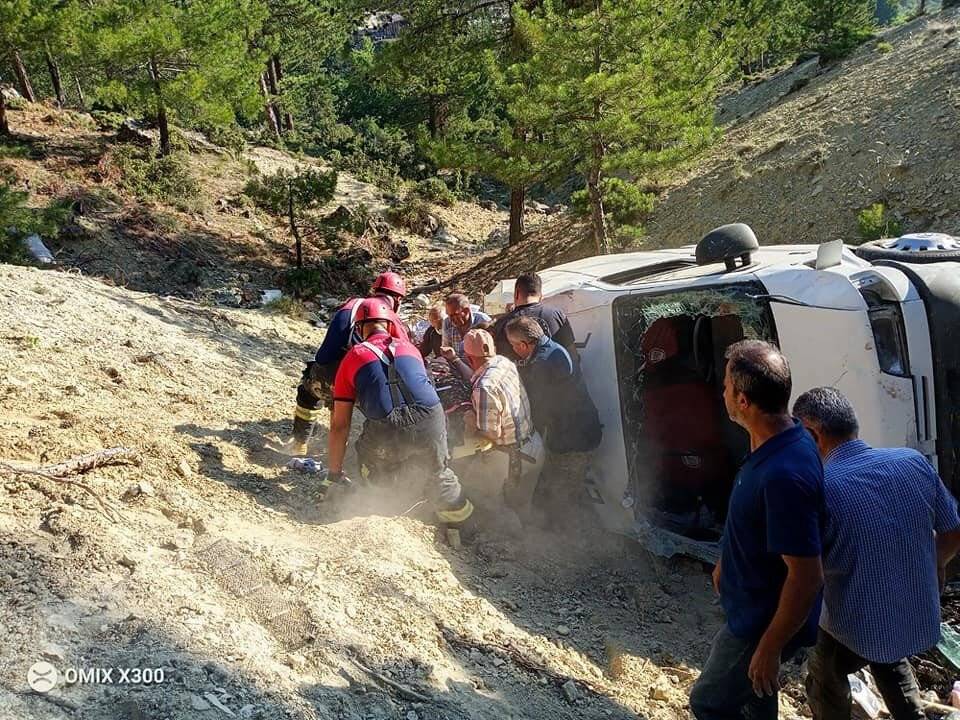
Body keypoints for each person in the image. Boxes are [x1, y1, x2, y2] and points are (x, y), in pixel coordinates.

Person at [793, 387, 960, 720]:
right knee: (889, 657)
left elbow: (805, 577)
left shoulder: (821, 488)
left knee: (824, 675)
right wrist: (936, 565)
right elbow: (954, 530)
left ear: (812, 433)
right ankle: (910, 713)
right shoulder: (913, 462)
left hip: (855, 629)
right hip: (918, 619)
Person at [689, 340, 824, 720]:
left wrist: (770, 647)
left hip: (759, 623)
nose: (723, 392)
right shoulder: (778, 438)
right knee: (753, 697)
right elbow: (753, 521)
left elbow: (806, 575)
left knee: (709, 703)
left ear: (744, 401)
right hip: (749, 605)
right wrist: (724, 563)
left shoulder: (785, 474)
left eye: (727, 386)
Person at [321, 298, 474, 531]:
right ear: (390, 324)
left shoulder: (352, 358)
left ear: (360, 329)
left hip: (387, 428)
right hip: (431, 419)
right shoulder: (411, 349)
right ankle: (459, 528)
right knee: (439, 472)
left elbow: (340, 425)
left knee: (369, 456)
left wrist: (333, 474)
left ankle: (383, 503)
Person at [289, 271, 407, 455]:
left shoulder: (351, 306)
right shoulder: (396, 321)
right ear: (398, 300)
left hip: (335, 379)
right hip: (370, 389)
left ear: (374, 291)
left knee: (308, 390)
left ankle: (299, 444)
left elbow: (324, 356)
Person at [504, 316, 601, 526]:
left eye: (513, 346)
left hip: (573, 439)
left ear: (523, 344)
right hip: (578, 431)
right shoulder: (549, 348)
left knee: (561, 495)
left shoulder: (543, 363)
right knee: (563, 488)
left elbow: (537, 411)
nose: (513, 350)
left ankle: (566, 542)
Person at [442, 329, 544, 522]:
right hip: (534, 446)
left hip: (511, 456)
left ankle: (503, 540)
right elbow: (480, 374)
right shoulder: (504, 363)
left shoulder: (484, 388)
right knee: (522, 506)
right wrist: (456, 360)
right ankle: (529, 543)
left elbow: (490, 435)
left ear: (470, 357)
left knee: (479, 496)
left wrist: (470, 421)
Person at [491, 272, 576, 361]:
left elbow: (497, 361)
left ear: (516, 294)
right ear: (541, 295)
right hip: (556, 373)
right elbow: (572, 353)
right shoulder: (557, 315)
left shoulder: (501, 323)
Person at [442, 293, 491, 361]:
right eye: (449, 315)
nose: (451, 319)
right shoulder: (447, 323)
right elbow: (446, 350)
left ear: (466, 311)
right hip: (456, 366)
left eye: (454, 314)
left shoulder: (482, 320)